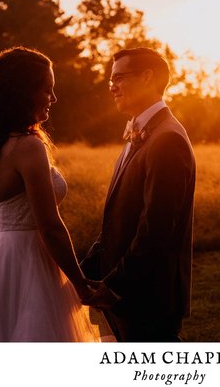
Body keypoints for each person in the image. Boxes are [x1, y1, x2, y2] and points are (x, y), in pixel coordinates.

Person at [0, 46, 100, 342]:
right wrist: (80, 284)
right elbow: (50, 226)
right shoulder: (29, 146)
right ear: (23, 93)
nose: (53, 99)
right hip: (28, 261)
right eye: (47, 89)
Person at [80, 47, 197, 342]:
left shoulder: (167, 139)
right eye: (111, 81)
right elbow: (122, 220)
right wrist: (81, 270)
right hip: (131, 297)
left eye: (119, 78)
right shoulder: (141, 133)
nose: (112, 87)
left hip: (148, 296)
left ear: (147, 77)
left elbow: (156, 229)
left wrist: (115, 285)